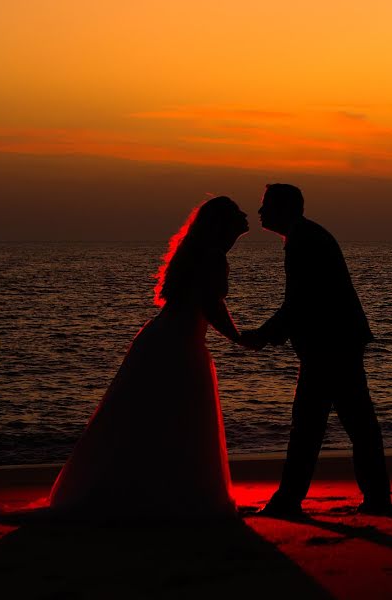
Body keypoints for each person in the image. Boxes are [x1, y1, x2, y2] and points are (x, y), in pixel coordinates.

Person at [47, 196, 249, 520]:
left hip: (162, 337)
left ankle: (147, 488)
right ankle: (176, 494)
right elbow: (211, 305)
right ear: (223, 224)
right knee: (176, 417)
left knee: (149, 417)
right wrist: (241, 339)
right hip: (180, 344)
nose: (246, 217)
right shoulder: (212, 257)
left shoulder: (198, 252)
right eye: (238, 214)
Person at [242, 184, 392, 517]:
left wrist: (264, 335)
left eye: (265, 205)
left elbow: (300, 302)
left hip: (330, 347)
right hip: (336, 343)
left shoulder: (303, 241)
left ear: (284, 208)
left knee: (312, 425)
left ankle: (290, 500)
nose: (260, 212)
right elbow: (302, 302)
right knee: (352, 423)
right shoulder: (306, 237)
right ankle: (375, 498)